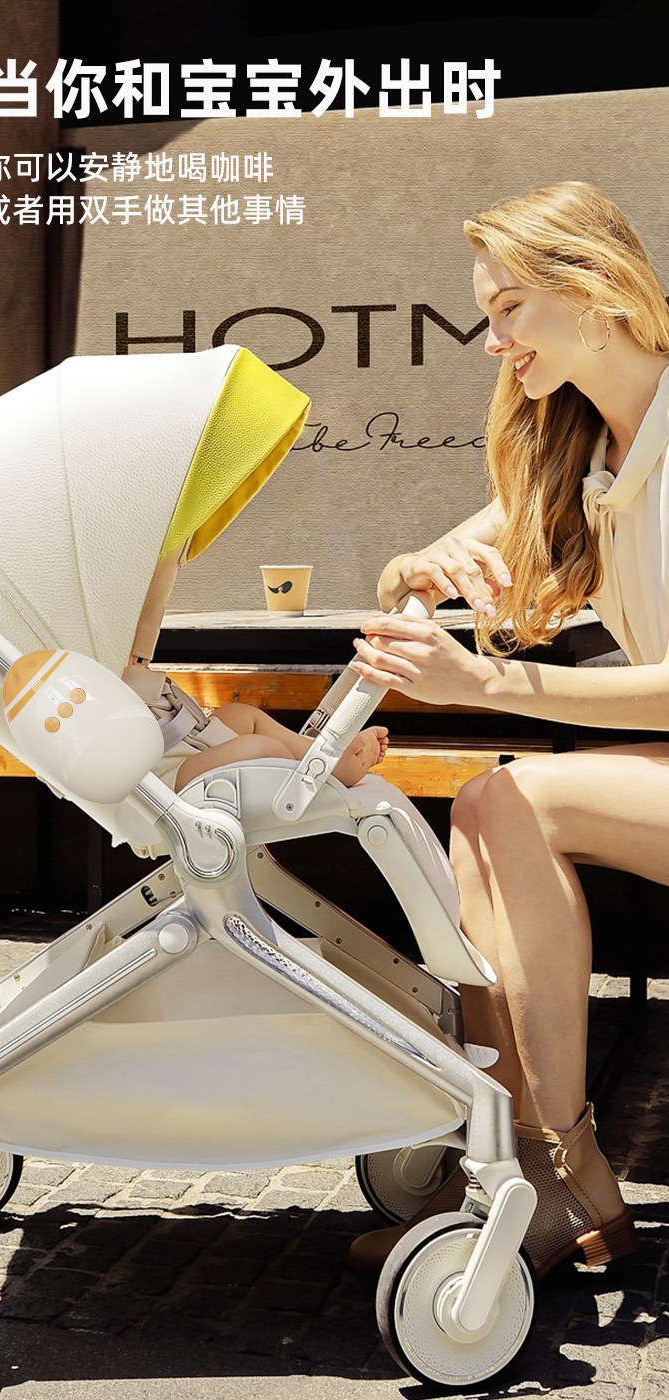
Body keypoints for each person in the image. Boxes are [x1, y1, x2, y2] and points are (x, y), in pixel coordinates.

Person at [345, 181, 669, 1279]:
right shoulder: (581, 447)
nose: (494, 342)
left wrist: (486, 680)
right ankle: (523, 1164)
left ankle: (551, 1169)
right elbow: (403, 577)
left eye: (510, 308)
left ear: (594, 289)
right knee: (489, 806)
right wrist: (422, 569)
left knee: (507, 796)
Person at [122, 659, 388, 792]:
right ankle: (315, 775)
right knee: (263, 749)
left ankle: (329, 759)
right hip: (161, 782)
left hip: (185, 741)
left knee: (240, 715)